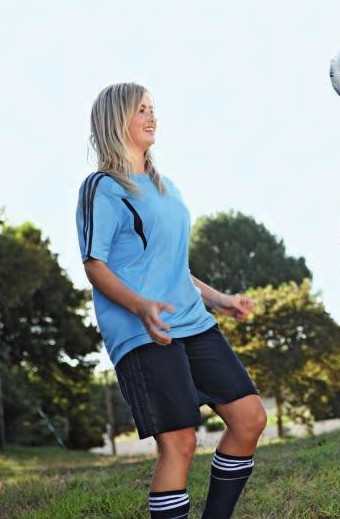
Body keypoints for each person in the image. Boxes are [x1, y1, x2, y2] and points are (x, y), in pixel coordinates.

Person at [76, 83, 267, 519]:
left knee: (250, 419)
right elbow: (94, 264)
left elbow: (171, 266)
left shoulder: (167, 187)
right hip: (142, 330)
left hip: (193, 322)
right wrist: (141, 306)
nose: (151, 116)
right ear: (115, 120)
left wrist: (219, 299)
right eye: (140, 109)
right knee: (179, 441)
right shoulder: (102, 188)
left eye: (152, 109)